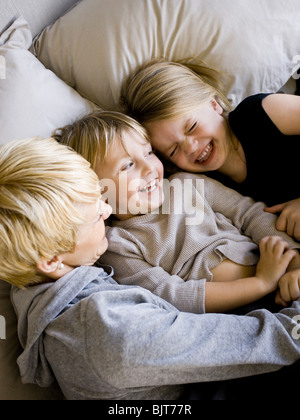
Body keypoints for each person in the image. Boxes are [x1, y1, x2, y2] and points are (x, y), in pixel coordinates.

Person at [2, 137, 300, 401]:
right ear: (51, 260)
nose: (107, 212)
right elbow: (270, 341)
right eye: (95, 216)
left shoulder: (30, 271)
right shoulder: (110, 327)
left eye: (99, 197)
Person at [55, 111, 300, 313]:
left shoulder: (187, 184)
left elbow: (250, 214)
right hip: (243, 309)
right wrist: (260, 284)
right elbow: (170, 296)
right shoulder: (118, 245)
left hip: (282, 271)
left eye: (148, 152)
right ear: (95, 190)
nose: (148, 168)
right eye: (128, 165)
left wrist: (294, 262)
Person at [120, 59, 300, 241]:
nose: (191, 147)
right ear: (170, 164)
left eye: (192, 127)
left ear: (214, 105)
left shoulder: (259, 113)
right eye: (173, 150)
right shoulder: (202, 187)